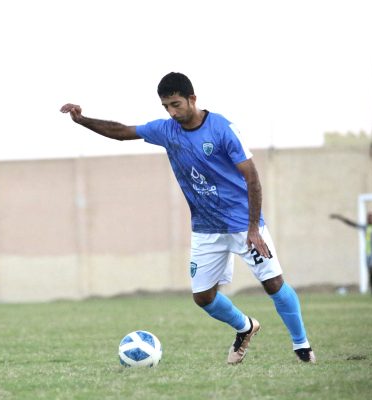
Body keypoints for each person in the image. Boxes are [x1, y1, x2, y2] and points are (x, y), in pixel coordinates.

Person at [60, 72, 315, 364]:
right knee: (203, 297)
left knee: (273, 284)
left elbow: (252, 179)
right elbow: (121, 131)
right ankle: (245, 327)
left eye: (176, 104)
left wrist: (254, 228)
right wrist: (82, 120)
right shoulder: (166, 130)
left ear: (192, 99)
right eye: (166, 106)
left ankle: (302, 347)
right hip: (206, 229)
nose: (171, 112)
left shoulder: (222, 129)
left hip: (242, 225)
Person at [330, 212, 372, 295]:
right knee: (370, 271)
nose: (370, 219)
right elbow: (351, 224)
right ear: (367, 219)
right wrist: (339, 217)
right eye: (368, 218)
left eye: (371, 218)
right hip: (367, 253)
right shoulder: (365, 227)